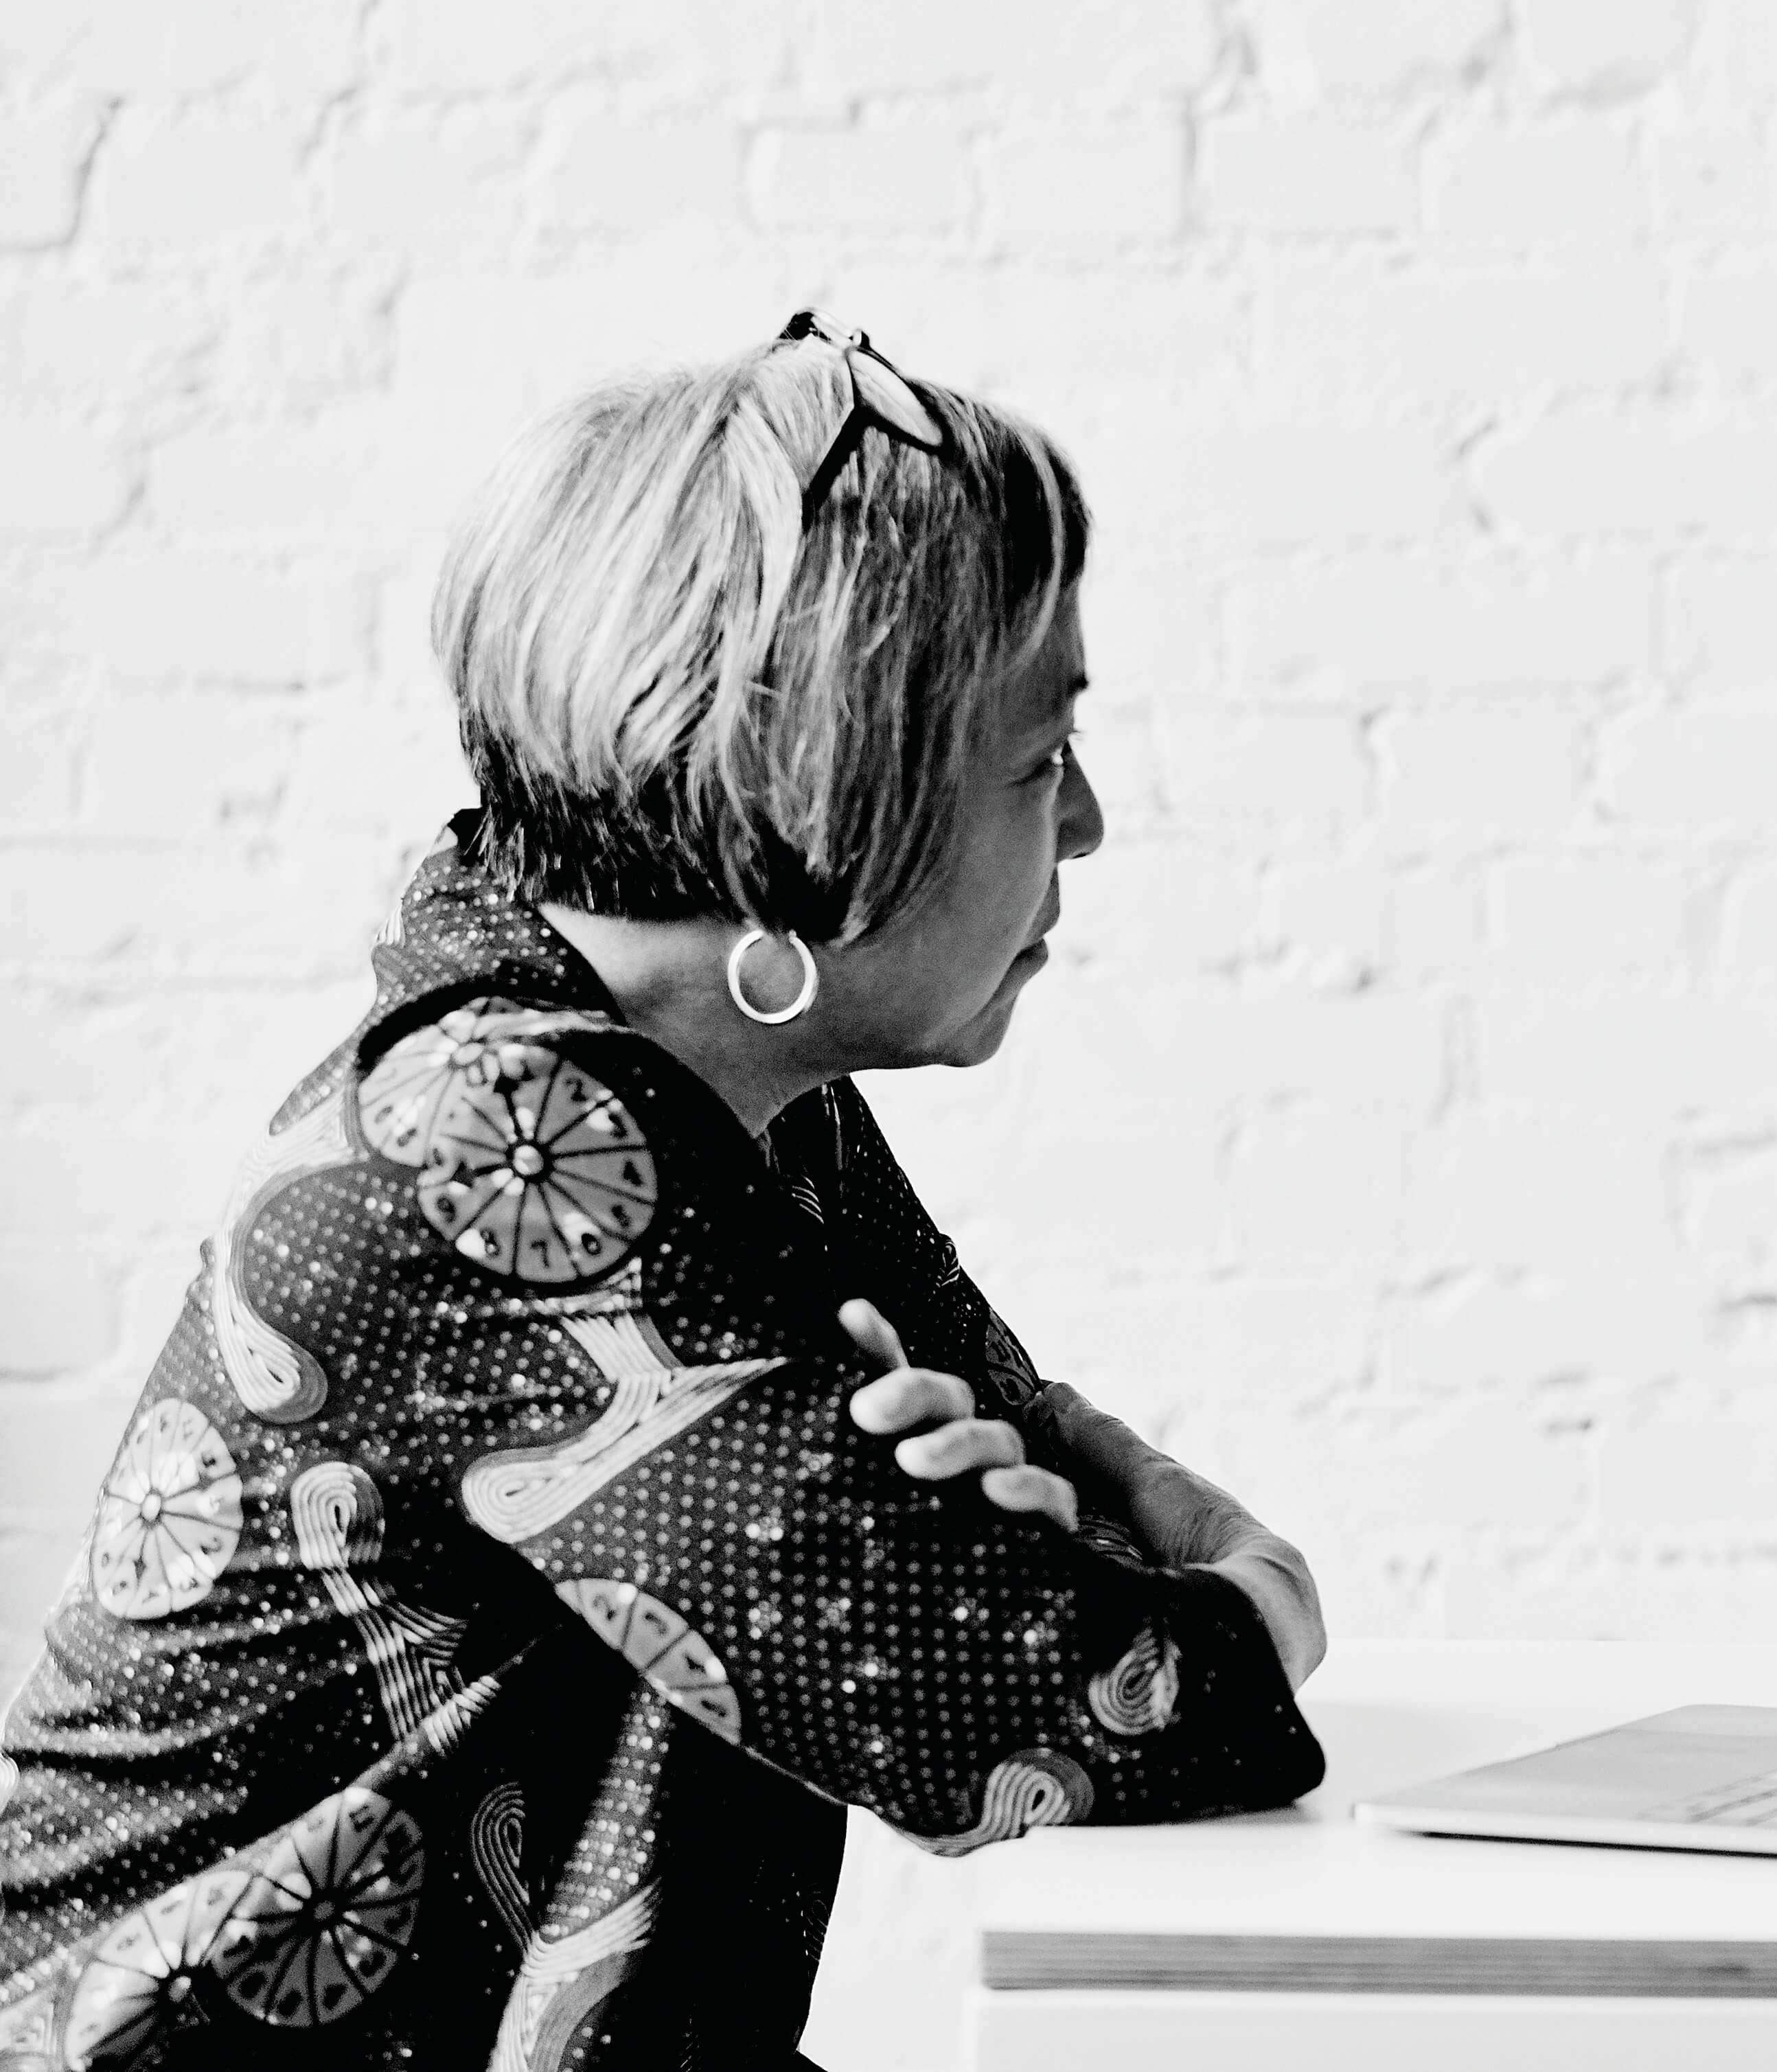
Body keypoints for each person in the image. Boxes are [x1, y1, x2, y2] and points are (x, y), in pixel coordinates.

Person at [0, 317, 1327, 2070]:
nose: (1086, 823)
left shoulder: (734, 1100)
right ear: (826, 791)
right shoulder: (493, 1146)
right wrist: (1265, 1584)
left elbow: (1044, 1528)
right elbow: (1104, 1707)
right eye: (1034, 755)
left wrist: (1066, 1552)